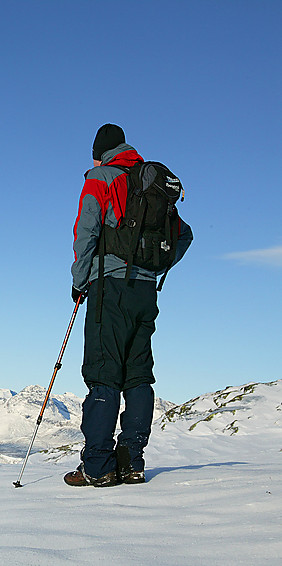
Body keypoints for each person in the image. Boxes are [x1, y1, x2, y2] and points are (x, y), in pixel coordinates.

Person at [64, 124, 193, 487]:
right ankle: (132, 463)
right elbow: (184, 234)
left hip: (111, 288)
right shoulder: (150, 183)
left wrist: (79, 281)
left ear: (99, 151)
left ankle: (99, 467)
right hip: (145, 291)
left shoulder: (101, 178)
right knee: (137, 374)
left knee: (104, 373)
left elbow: (86, 231)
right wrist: (155, 268)